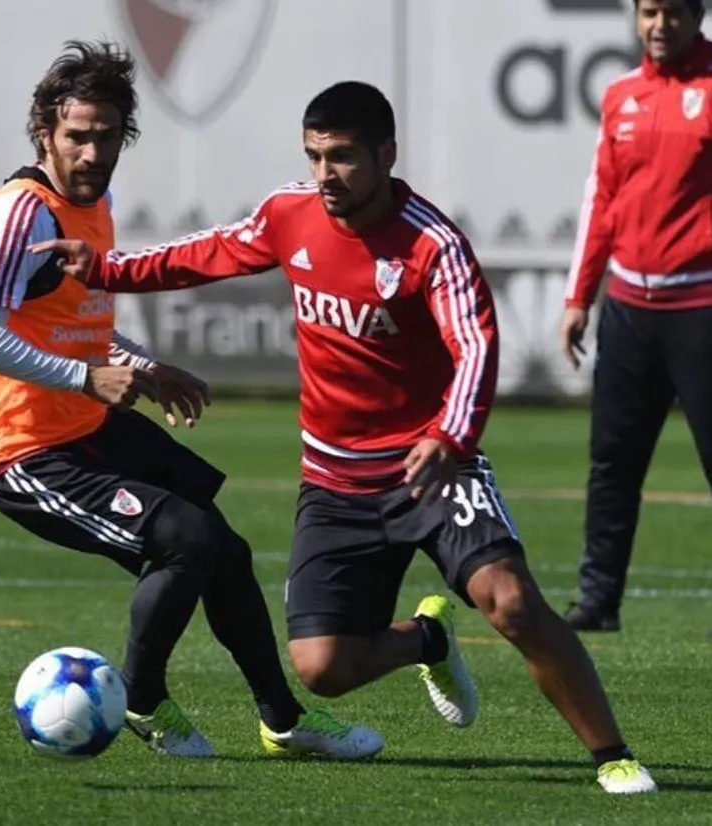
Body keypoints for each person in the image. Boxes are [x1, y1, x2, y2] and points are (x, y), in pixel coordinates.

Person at [33, 80, 656, 794]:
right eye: (314, 156)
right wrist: (107, 268)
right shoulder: (289, 213)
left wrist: (451, 436)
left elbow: (476, 347)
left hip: (432, 468)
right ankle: (426, 639)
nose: (325, 175)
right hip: (334, 483)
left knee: (510, 601)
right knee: (321, 671)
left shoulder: (432, 244)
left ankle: (611, 755)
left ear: (386, 155)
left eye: (343, 157)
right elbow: (204, 253)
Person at [0, 40, 383, 762]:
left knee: (227, 550)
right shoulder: (20, 215)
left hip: (87, 425)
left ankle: (283, 721)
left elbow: (73, 322)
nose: (93, 152)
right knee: (185, 539)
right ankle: (143, 700)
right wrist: (88, 379)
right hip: (24, 452)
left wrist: (143, 367)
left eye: (107, 135)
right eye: (77, 137)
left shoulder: (96, 205)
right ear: (45, 135)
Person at [560, 0, 712, 633]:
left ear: (698, 14)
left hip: (701, 307)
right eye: (648, 11)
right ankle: (598, 602)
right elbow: (602, 199)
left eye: (673, 13)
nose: (659, 25)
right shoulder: (621, 95)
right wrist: (579, 297)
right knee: (612, 462)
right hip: (627, 308)